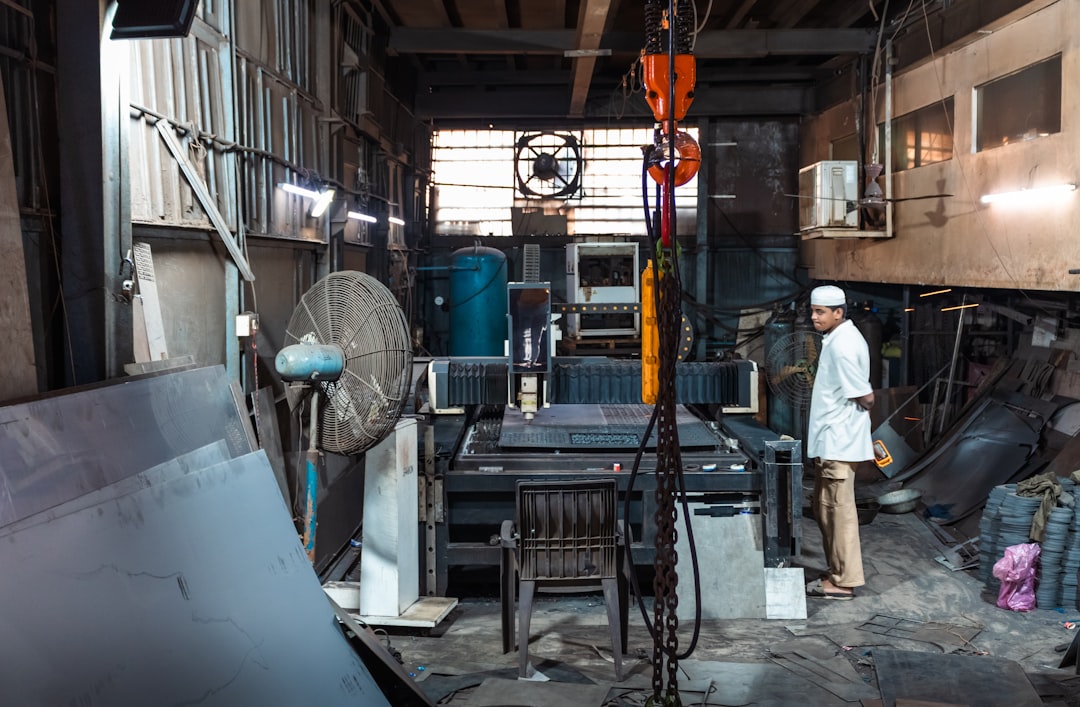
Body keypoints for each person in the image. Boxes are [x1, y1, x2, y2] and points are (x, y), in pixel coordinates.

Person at [805, 284, 875, 601]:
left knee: (839, 513)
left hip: (839, 442)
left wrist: (858, 407)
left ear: (838, 313)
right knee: (825, 511)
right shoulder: (835, 339)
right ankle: (836, 572)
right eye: (813, 311)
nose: (814, 317)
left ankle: (845, 581)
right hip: (831, 441)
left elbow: (867, 397)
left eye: (820, 312)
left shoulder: (844, 345)